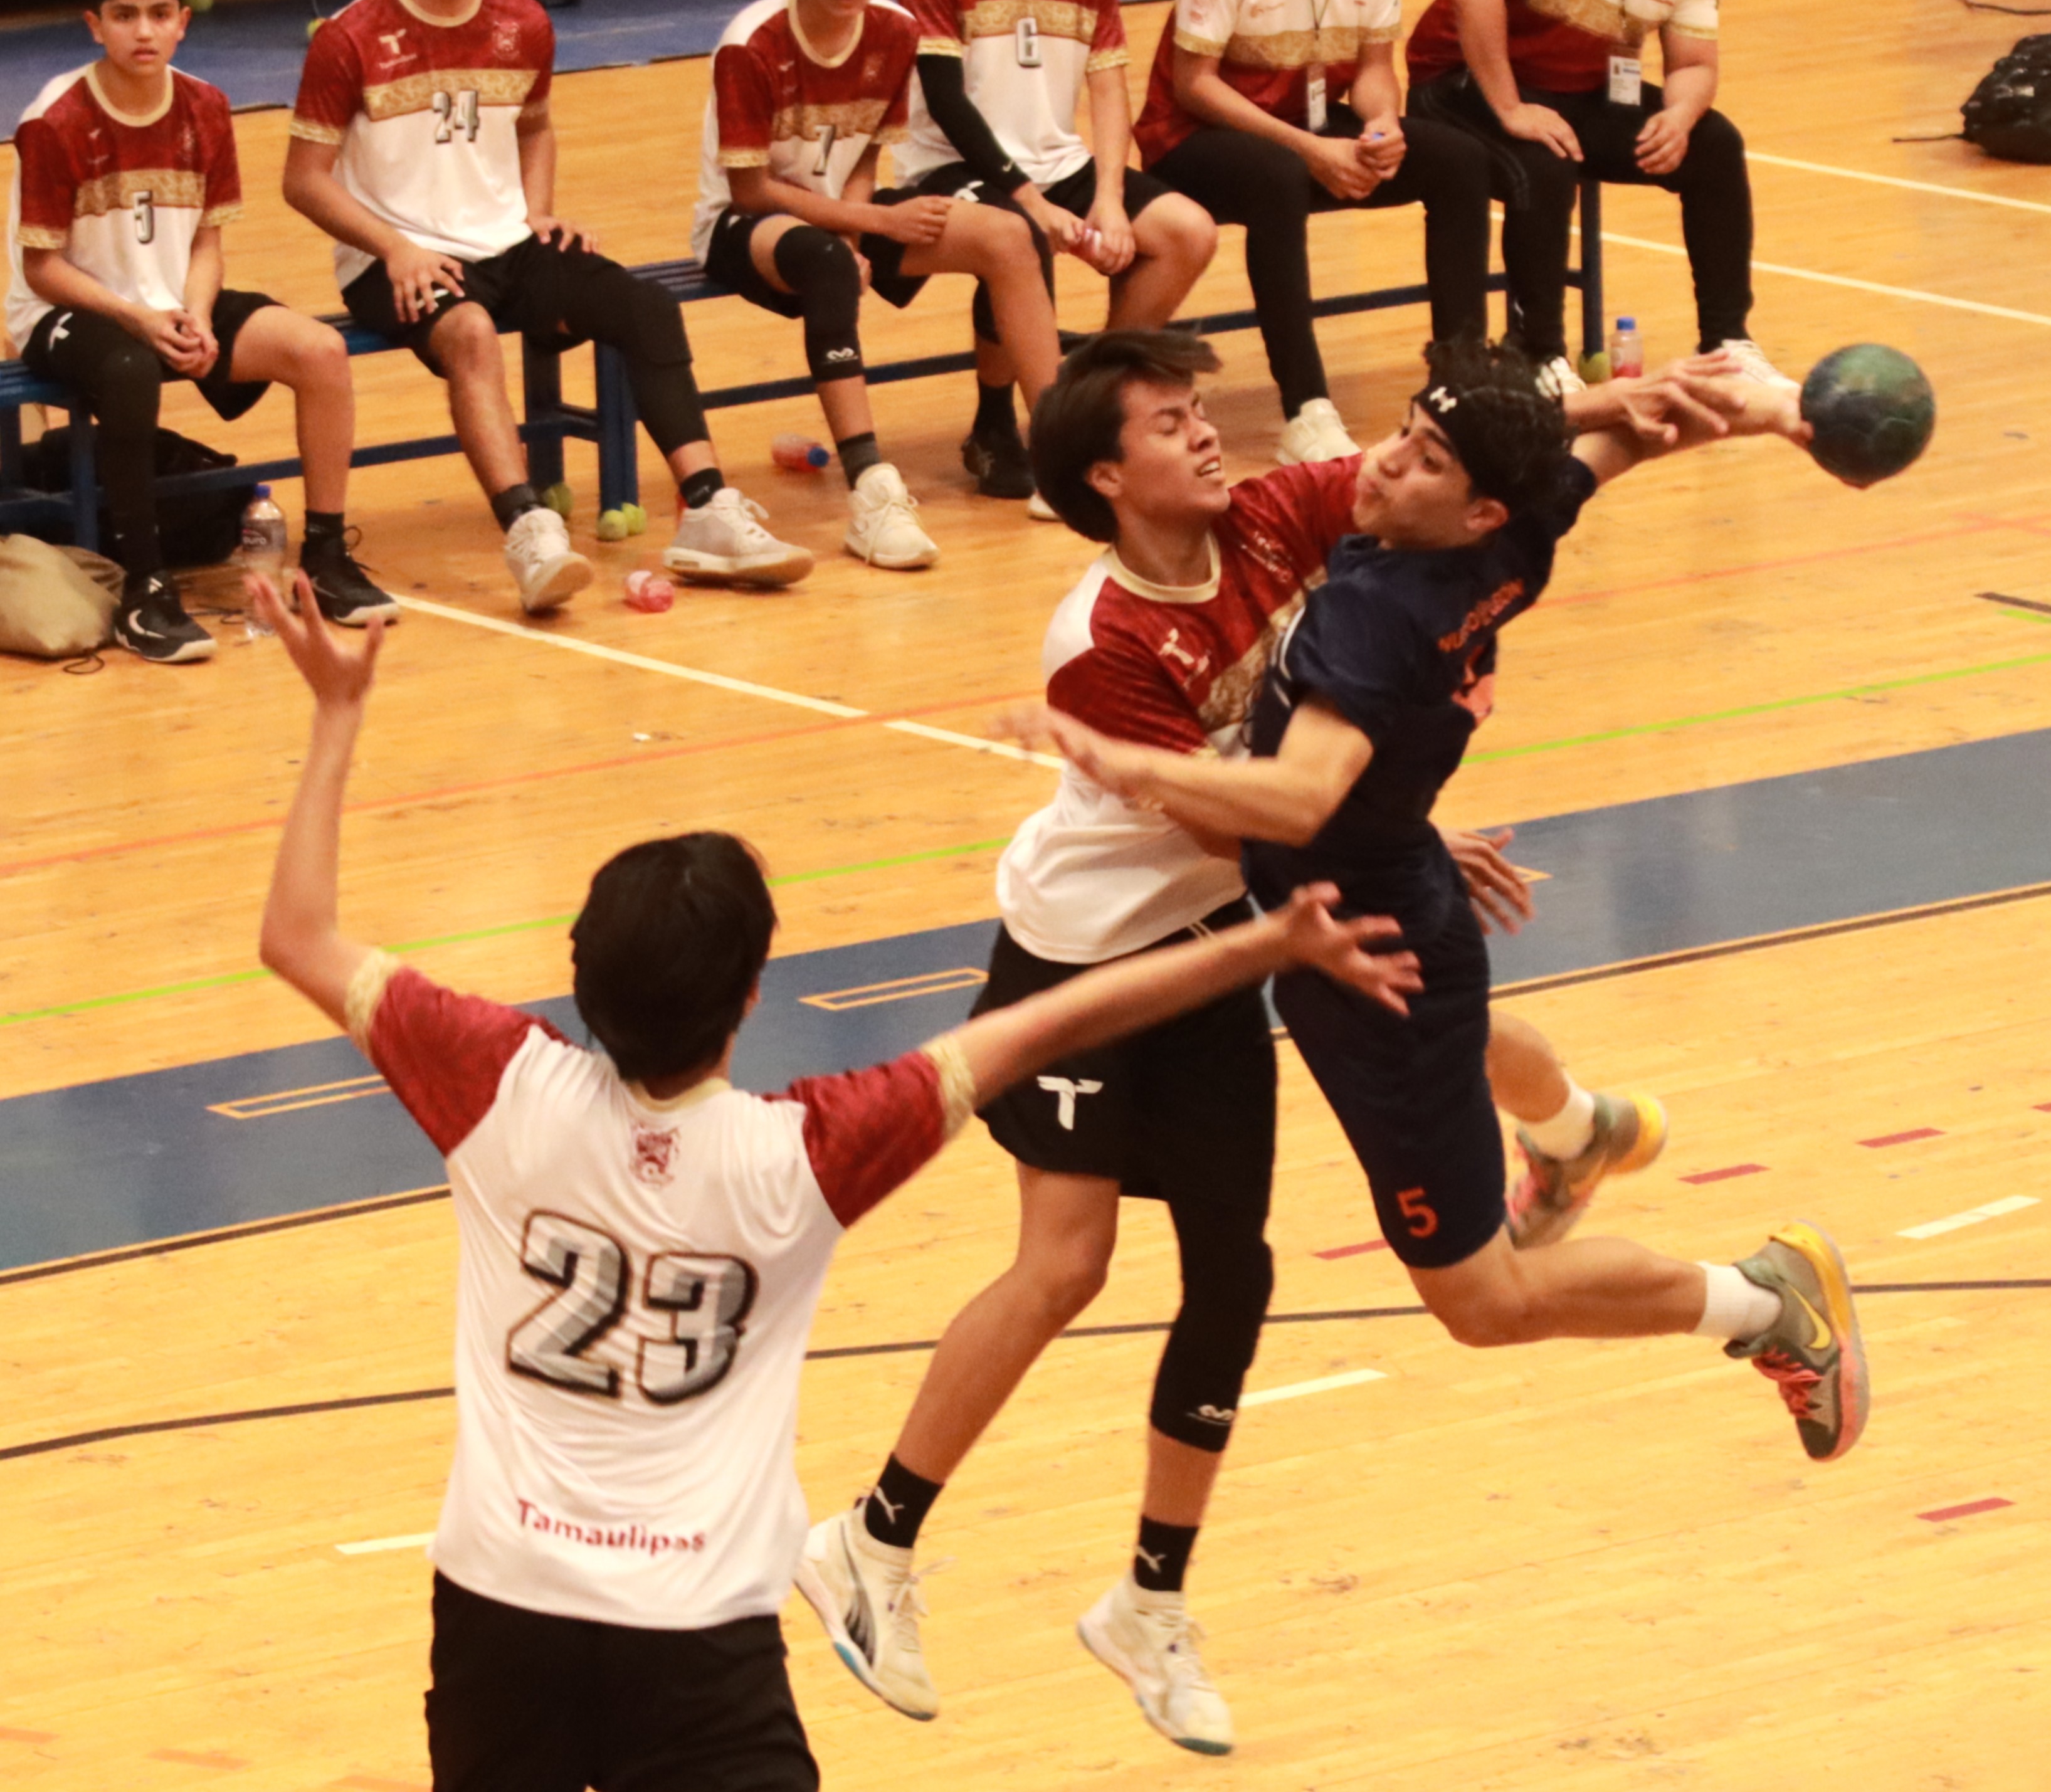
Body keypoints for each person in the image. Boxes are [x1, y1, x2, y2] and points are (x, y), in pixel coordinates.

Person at [250, 564, 1410, 1792]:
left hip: (497, 1608)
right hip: (697, 1639)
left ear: (578, 972)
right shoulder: (798, 1154)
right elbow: (1052, 1020)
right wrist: (1266, 941)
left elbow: (296, 936)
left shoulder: (496, 1085)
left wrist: (335, 716)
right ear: (753, 996)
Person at [794, 330, 1735, 1754]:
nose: (1205, 435)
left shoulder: (1280, 512)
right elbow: (1249, 810)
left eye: (1197, 410)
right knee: (1065, 1263)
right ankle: (870, 1540)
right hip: (1084, 959)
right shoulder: (1099, 640)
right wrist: (1387, 819)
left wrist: (1638, 403)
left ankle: (1150, 1606)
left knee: (1232, 1278)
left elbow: (1450, 461)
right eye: (1172, 424)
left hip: (1226, 951)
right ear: (1110, 475)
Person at [1021, 337, 1869, 1482]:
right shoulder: (1515, 527)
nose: (1379, 467)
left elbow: (1292, 796)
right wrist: (1770, 408)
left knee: (1482, 1299)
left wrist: (1113, 761)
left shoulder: (1370, 615)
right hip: (1394, 887)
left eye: (1422, 462)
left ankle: (1763, 1306)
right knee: (1461, 1042)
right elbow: (1614, 443)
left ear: (1472, 511)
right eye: (1405, 436)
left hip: (1366, 952)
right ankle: (1578, 1133)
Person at [285, 0, 811, 614]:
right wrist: (395, 246)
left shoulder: (524, 22)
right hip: (392, 258)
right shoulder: (349, 38)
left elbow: (535, 128)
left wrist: (536, 208)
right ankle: (529, 531)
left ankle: (706, 510)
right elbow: (302, 182)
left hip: (508, 242)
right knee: (467, 333)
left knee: (646, 307)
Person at [6, 0, 393, 662]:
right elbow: (42, 269)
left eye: (159, 14)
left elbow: (208, 244)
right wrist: (140, 318)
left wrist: (196, 312)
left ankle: (328, 554)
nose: (143, 31)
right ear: (95, 25)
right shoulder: (53, 121)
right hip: (66, 311)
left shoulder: (207, 108)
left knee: (319, 349)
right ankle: (146, 591)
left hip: (171, 298)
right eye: (125, 16)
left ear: (183, 19)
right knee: (126, 374)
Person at [695, 0, 1062, 569]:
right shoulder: (750, 42)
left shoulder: (896, 31)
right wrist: (859, 229)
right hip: (746, 225)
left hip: (844, 215)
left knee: (1012, 235)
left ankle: (1059, 447)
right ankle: (871, 491)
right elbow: (750, 189)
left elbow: (865, 149)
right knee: (828, 265)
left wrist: (858, 233)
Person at [1132, 0, 1496, 465]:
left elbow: (1372, 69)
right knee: (1277, 177)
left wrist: (1382, 126)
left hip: (1309, 123)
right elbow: (1193, 85)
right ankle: (1306, 408)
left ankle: (1458, 382)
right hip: (1195, 139)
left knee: (1458, 159)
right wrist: (1310, 150)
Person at [1407, 0, 1783, 392]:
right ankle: (1537, 354)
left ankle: (1727, 345)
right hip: (1460, 83)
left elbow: (1692, 65)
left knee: (1715, 146)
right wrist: (1509, 108)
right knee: (1546, 162)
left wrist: (1679, 117)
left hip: (1581, 90)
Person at [892, 0, 1217, 502]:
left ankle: (1094, 400)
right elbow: (945, 101)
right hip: (950, 163)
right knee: (1019, 240)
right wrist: (1030, 199)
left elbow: (1107, 86)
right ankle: (1057, 449)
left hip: (1059, 161)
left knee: (1188, 233)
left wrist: (1108, 196)